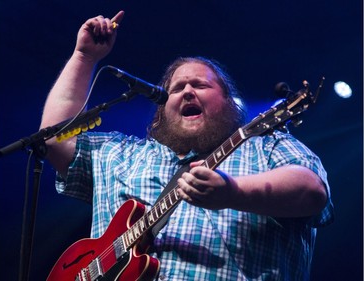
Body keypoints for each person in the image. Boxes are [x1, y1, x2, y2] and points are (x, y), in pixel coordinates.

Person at [41, 11, 334, 281]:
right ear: (161, 106)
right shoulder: (121, 155)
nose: (187, 92)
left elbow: (312, 191)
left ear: (229, 103)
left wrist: (233, 192)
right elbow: (54, 138)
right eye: (177, 88)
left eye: (200, 85)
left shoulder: (265, 144)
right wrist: (83, 57)